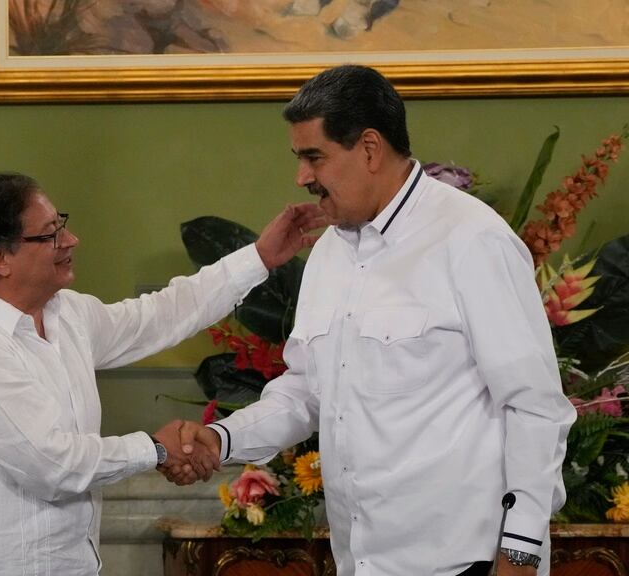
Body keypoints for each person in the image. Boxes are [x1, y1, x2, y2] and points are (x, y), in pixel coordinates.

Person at [175, 65, 577, 576]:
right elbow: (306, 391)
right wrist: (223, 439)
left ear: (369, 148)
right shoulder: (330, 254)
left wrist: (520, 556)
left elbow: (536, 408)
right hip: (362, 564)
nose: (301, 177)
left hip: (466, 565)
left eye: (313, 157)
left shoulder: (473, 240)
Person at [0, 172, 324, 575]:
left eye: (61, 224)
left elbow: (160, 315)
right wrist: (156, 447)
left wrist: (259, 258)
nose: (71, 240)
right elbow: (52, 465)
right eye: (50, 235)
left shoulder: (67, 313)